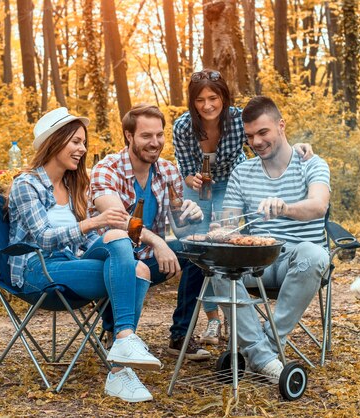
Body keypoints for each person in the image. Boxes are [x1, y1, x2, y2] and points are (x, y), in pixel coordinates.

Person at [7, 107, 161, 403]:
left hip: (71, 264)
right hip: (37, 270)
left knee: (136, 263)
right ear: (54, 140)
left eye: (83, 142)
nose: (83, 149)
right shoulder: (26, 184)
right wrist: (94, 221)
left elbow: (89, 238)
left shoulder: (73, 184)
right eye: (76, 141)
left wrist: (103, 229)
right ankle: (120, 364)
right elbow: (42, 239)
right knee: (123, 254)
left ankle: (122, 349)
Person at [172, 69, 314, 345]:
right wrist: (193, 178)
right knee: (199, 251)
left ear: (223, 96)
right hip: (197, 185)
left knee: (227, 247)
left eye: (213, 97)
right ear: (192, 102)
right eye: (200, 100)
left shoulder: (238, 120)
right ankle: (197, 325)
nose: (207, 105)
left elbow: (265, 146)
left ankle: (232, 321)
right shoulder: (182, 127)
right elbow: (186, 169)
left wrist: (295, 146)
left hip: (233, 181)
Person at [210, 95, 330, 382]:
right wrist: (219, 229)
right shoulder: (243, 171)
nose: (257, 141)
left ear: (281, 126)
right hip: (256, 261)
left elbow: (318, 205)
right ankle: (264, 357)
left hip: (297, 261)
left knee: (314, 255)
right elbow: (229, 223)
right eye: (250, 136)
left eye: (263, 132)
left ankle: (264, 348)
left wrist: (285, 208)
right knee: (216, 267)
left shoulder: (312, 164)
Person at [90, 104, 212, 362]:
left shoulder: (168, 171)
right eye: (146, 136)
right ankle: (117, 334)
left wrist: (192, 216)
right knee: (125, 255)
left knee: (197, 251)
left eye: (159, 135)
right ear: (129, 136)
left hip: (146, 254)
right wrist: (158, 240)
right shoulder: (106, 169)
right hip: (107, 257)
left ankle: (180, 336)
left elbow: (180, 228)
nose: (154, 142)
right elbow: (119, 220)